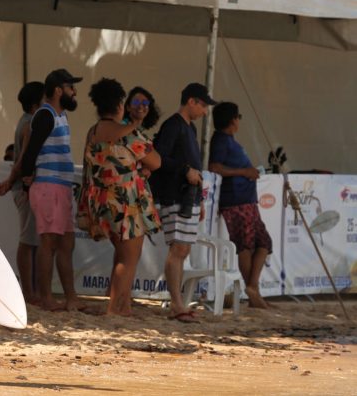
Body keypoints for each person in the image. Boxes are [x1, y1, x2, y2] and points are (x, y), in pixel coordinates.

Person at [83, 78, 161, 315]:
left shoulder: (93, 131)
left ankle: (122, 305)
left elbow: (88, 166)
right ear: (120, 105)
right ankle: (115, 309)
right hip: (126, 201)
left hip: (101, 199)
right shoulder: (127, 134)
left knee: (121, 254)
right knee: (129, 258)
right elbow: (156, 161)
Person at [19, 69, 85, 312]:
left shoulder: (61, 114)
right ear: (58, 90)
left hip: (61, 187)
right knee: (48, 244)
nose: (74, 92)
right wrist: (27, 179)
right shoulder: (46, 115)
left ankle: (71, 298)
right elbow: (31, 150)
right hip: (48, 186)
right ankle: (46, 297)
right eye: (70, 87)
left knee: (67, 244)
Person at [151, 82, 216, 323]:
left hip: (188, 196)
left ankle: (178, 302)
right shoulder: (173, 125)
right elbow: (158, 158)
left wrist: (198, 200)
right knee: (178, 248)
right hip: (174, 194)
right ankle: (176, 304)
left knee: (184, 248)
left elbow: (192, 165)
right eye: (203, 106)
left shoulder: (189, 129)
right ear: (191, 101)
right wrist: (184, 169)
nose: (205, 112)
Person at [208, 101, 272, 309]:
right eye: (238, 117)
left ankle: (253, 287)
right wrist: (244, 172)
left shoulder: (229, 141)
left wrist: (249, 171)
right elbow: (214, 166)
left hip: (247, 199)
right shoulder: (221, 140)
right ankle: (253, 289)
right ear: (232, 120)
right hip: (235, 201)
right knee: (245, 244)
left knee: (263, 243)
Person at [0, 81, 45, 304]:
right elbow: (23, 158)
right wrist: (12, 181)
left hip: (22, 186)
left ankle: (31, 290)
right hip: (24, 187)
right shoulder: (30, 124)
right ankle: (28, 291)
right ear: (38, 101)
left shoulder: (25, 121)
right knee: (28, 240)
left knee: (32, 241)